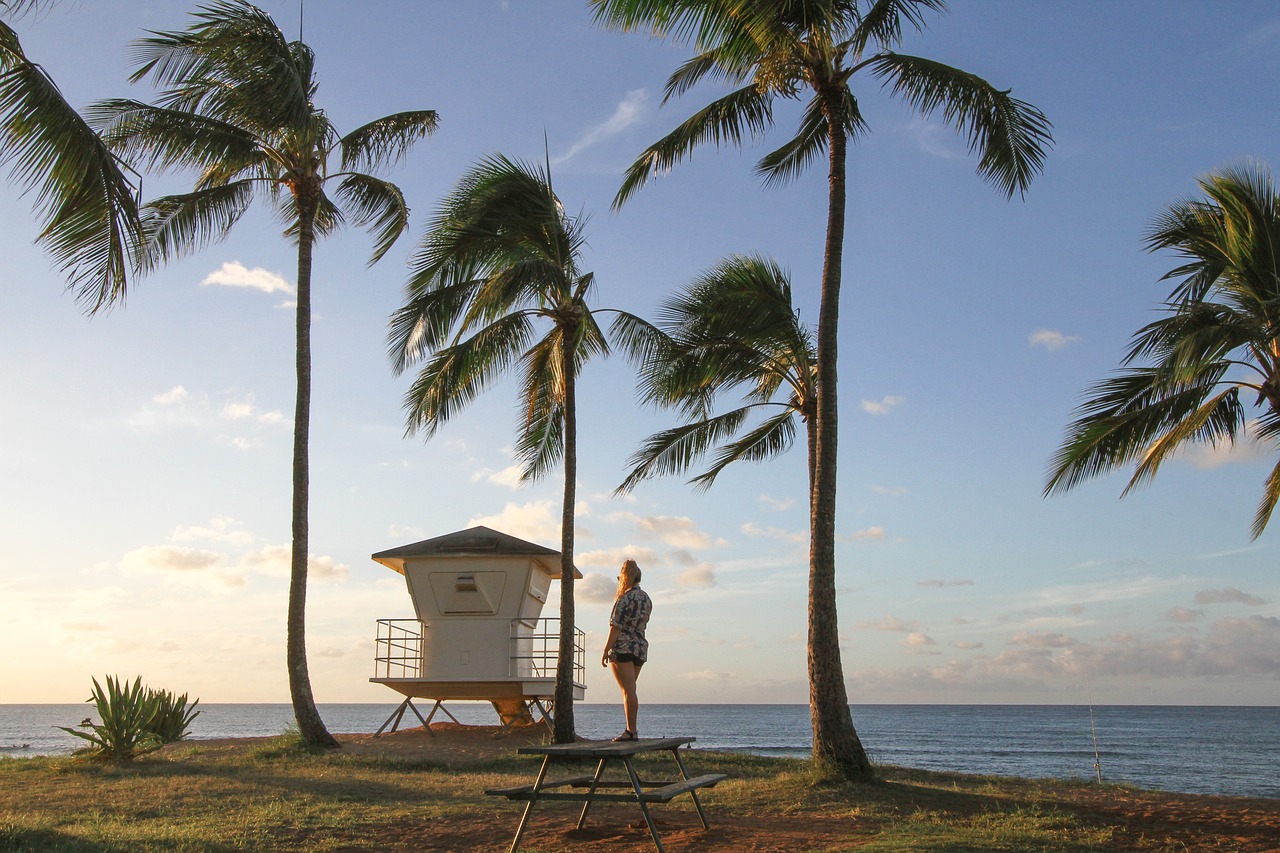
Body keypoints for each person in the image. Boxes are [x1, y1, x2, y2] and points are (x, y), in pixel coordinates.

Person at [601, 559, 651, 741]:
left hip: (623, 647)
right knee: (631, 689)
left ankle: (631, 731)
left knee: (628, 690)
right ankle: (631, 729)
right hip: (640, 646)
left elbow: (616, 627)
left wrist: (606, 649)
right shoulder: (646, 599)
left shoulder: (624, 599)